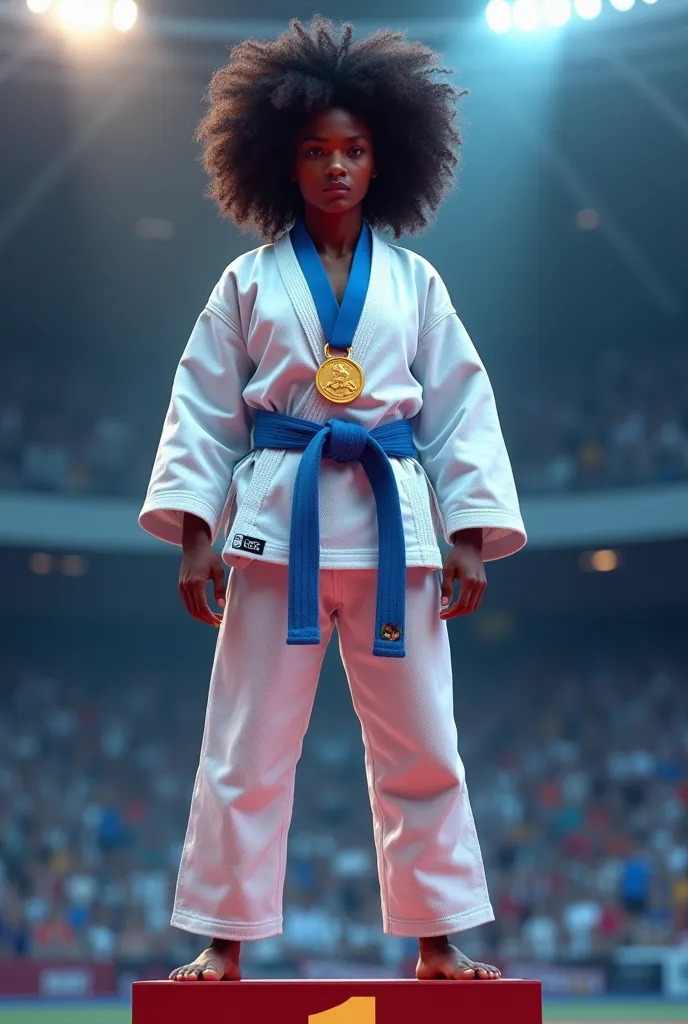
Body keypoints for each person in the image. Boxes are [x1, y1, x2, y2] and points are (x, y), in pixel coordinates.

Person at [139, 17, 526, 982]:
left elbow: (458, 409)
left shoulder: (418, 282)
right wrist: (196, 531)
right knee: (246, 747)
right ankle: (221, 945)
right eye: (317, 152)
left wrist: (469, 531)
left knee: (424, 744)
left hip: (395, 532)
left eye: (354, 151)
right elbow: (202, 404)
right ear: (282, 161)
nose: (337, 169)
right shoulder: (247, 280)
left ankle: (439, 944)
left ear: (384, 159)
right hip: (278, 531)